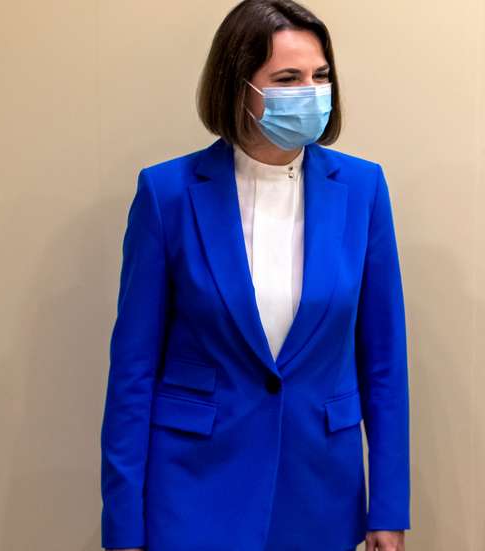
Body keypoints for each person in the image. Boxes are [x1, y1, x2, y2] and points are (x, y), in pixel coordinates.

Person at [99, 2, 409, 550]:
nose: (310, 92)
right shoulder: (167, 194)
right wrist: (123, 527)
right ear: (238, 87)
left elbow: (384, 364)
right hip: (193, 490)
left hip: (320, 490)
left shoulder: (363, 190)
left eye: (320, 76)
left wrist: (388, 506)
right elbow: (132, 372)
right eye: (287, 79)